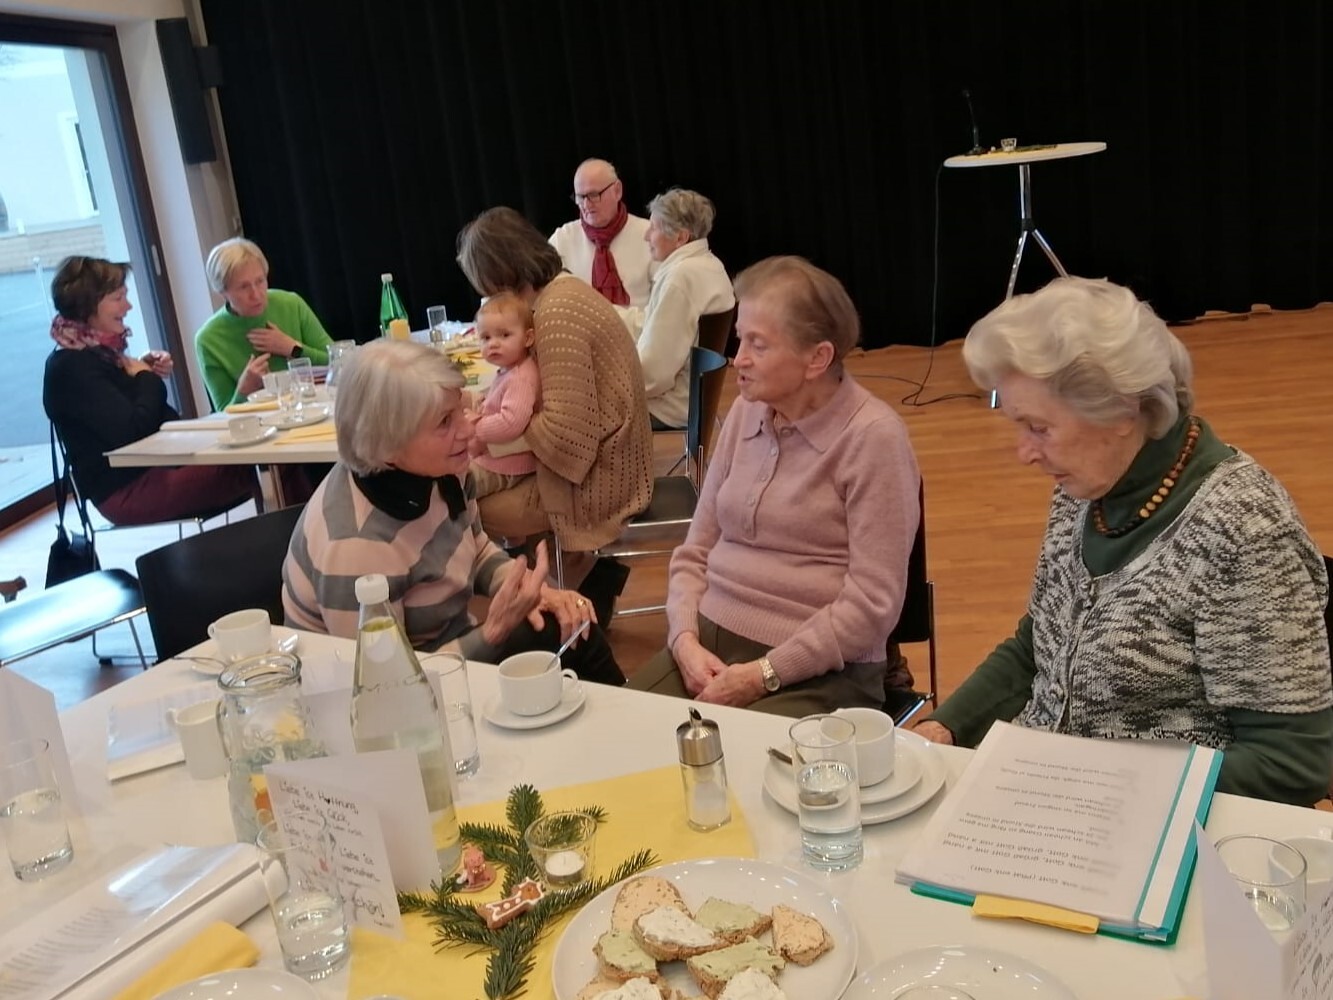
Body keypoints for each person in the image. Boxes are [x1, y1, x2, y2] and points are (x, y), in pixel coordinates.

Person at [912, 276, 1332, 806]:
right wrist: (941, 730)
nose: (1024, 453)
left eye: (1039, 427)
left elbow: (1292, 763)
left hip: (1157, 824)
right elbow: (1038, 645)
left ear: (1121, 410)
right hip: (1047, 793)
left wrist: (1099, 785)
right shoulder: (1088, 485)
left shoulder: (1244, 530)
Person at [630, 256, 921, 717]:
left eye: (758, 345)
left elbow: (871, 605)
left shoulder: (873, 438)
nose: (738, 358)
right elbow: (694, 551)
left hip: (821, 668)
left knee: (731, 758)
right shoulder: (747, 411)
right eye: (740, 338)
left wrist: (763, 674)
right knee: (621, 734)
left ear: (817, 358)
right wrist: (683, 638)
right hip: (706, 646)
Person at [281, 339, 624, 685]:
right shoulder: (355, 545)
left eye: (460, 407)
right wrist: (492, 632)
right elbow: (385, 686)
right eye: (445, 421)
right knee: (567, 641)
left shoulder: (439, 471)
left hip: (446, 654)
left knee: (574, 627)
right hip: (382, 692)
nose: (468, 428)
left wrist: (531, 590)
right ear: (386, 446)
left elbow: (474, 546)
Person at [457, 206, 653, 621]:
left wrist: (490, 430)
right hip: (608, 459)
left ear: (501, 272)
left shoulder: (555, 312)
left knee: (461, 512)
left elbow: (568, 438)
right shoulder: (561, 293)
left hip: (603, 476)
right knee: (467, 487)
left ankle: (539, 608)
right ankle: (574, 587)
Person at [42, 256, 258, 525]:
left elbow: (142, 416)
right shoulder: (71, 368)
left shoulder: (97, 354)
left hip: (158, 467)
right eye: (118, 298)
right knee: (263, 462)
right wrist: (146, 378)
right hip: (127, 490)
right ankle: (293, 543)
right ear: (87, 305)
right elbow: (135, 429)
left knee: (262, 454)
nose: (128, 306)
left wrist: (140, 373)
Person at [619, 188, 735, 430]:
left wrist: (608, 384)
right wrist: (608, 315)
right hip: (692, 401)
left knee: (580, 406)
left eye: (654, 228)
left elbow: (653, 375)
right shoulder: (710, 264)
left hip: (668, 408)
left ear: (681, 237)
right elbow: (652, 326)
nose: (646, 236)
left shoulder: (680, 278)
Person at [195, 237, 334, 410]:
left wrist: (293, 349)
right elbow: (223, 415)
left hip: (313, 409)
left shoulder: (291, 304)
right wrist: (244, 390)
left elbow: (338, 364)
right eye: (244, 287)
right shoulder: (208, 339)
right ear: (222, 292)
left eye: (260, 281)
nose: (256, 294)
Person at [549, 159, 655, 309]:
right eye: (580, 197)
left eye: (593, 195)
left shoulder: (650, 235)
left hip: (643, 323)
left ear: (617, 191)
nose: (586, 205)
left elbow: (665, 303)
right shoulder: (563, 239)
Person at [466, 291, 540, 499]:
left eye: (504, 335)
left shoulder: (520, 378)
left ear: (528, 338)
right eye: (486, 337)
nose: (493, 344)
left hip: (506, 465)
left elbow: (511, 422)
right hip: (495, 457)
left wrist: (476, 427)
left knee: (457, 484)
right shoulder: (510, 369)